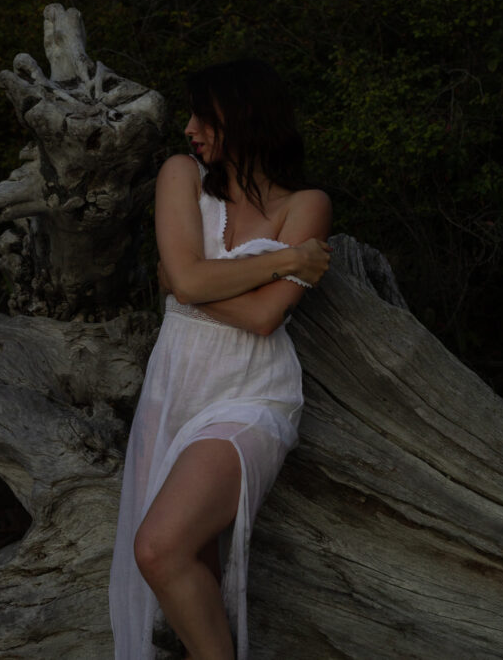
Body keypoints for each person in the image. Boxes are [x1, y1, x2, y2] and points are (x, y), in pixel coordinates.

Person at [109, 58, 332, 660]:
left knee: (157, 546)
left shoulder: (306, 206)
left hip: (253, 393)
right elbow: (186, 276)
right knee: (186, 561)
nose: (189, 129)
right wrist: (283, 262)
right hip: (176, 386)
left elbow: (263, 318)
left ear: (244, 118)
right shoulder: (179, 175)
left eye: (203, 116)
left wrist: (193, 286)